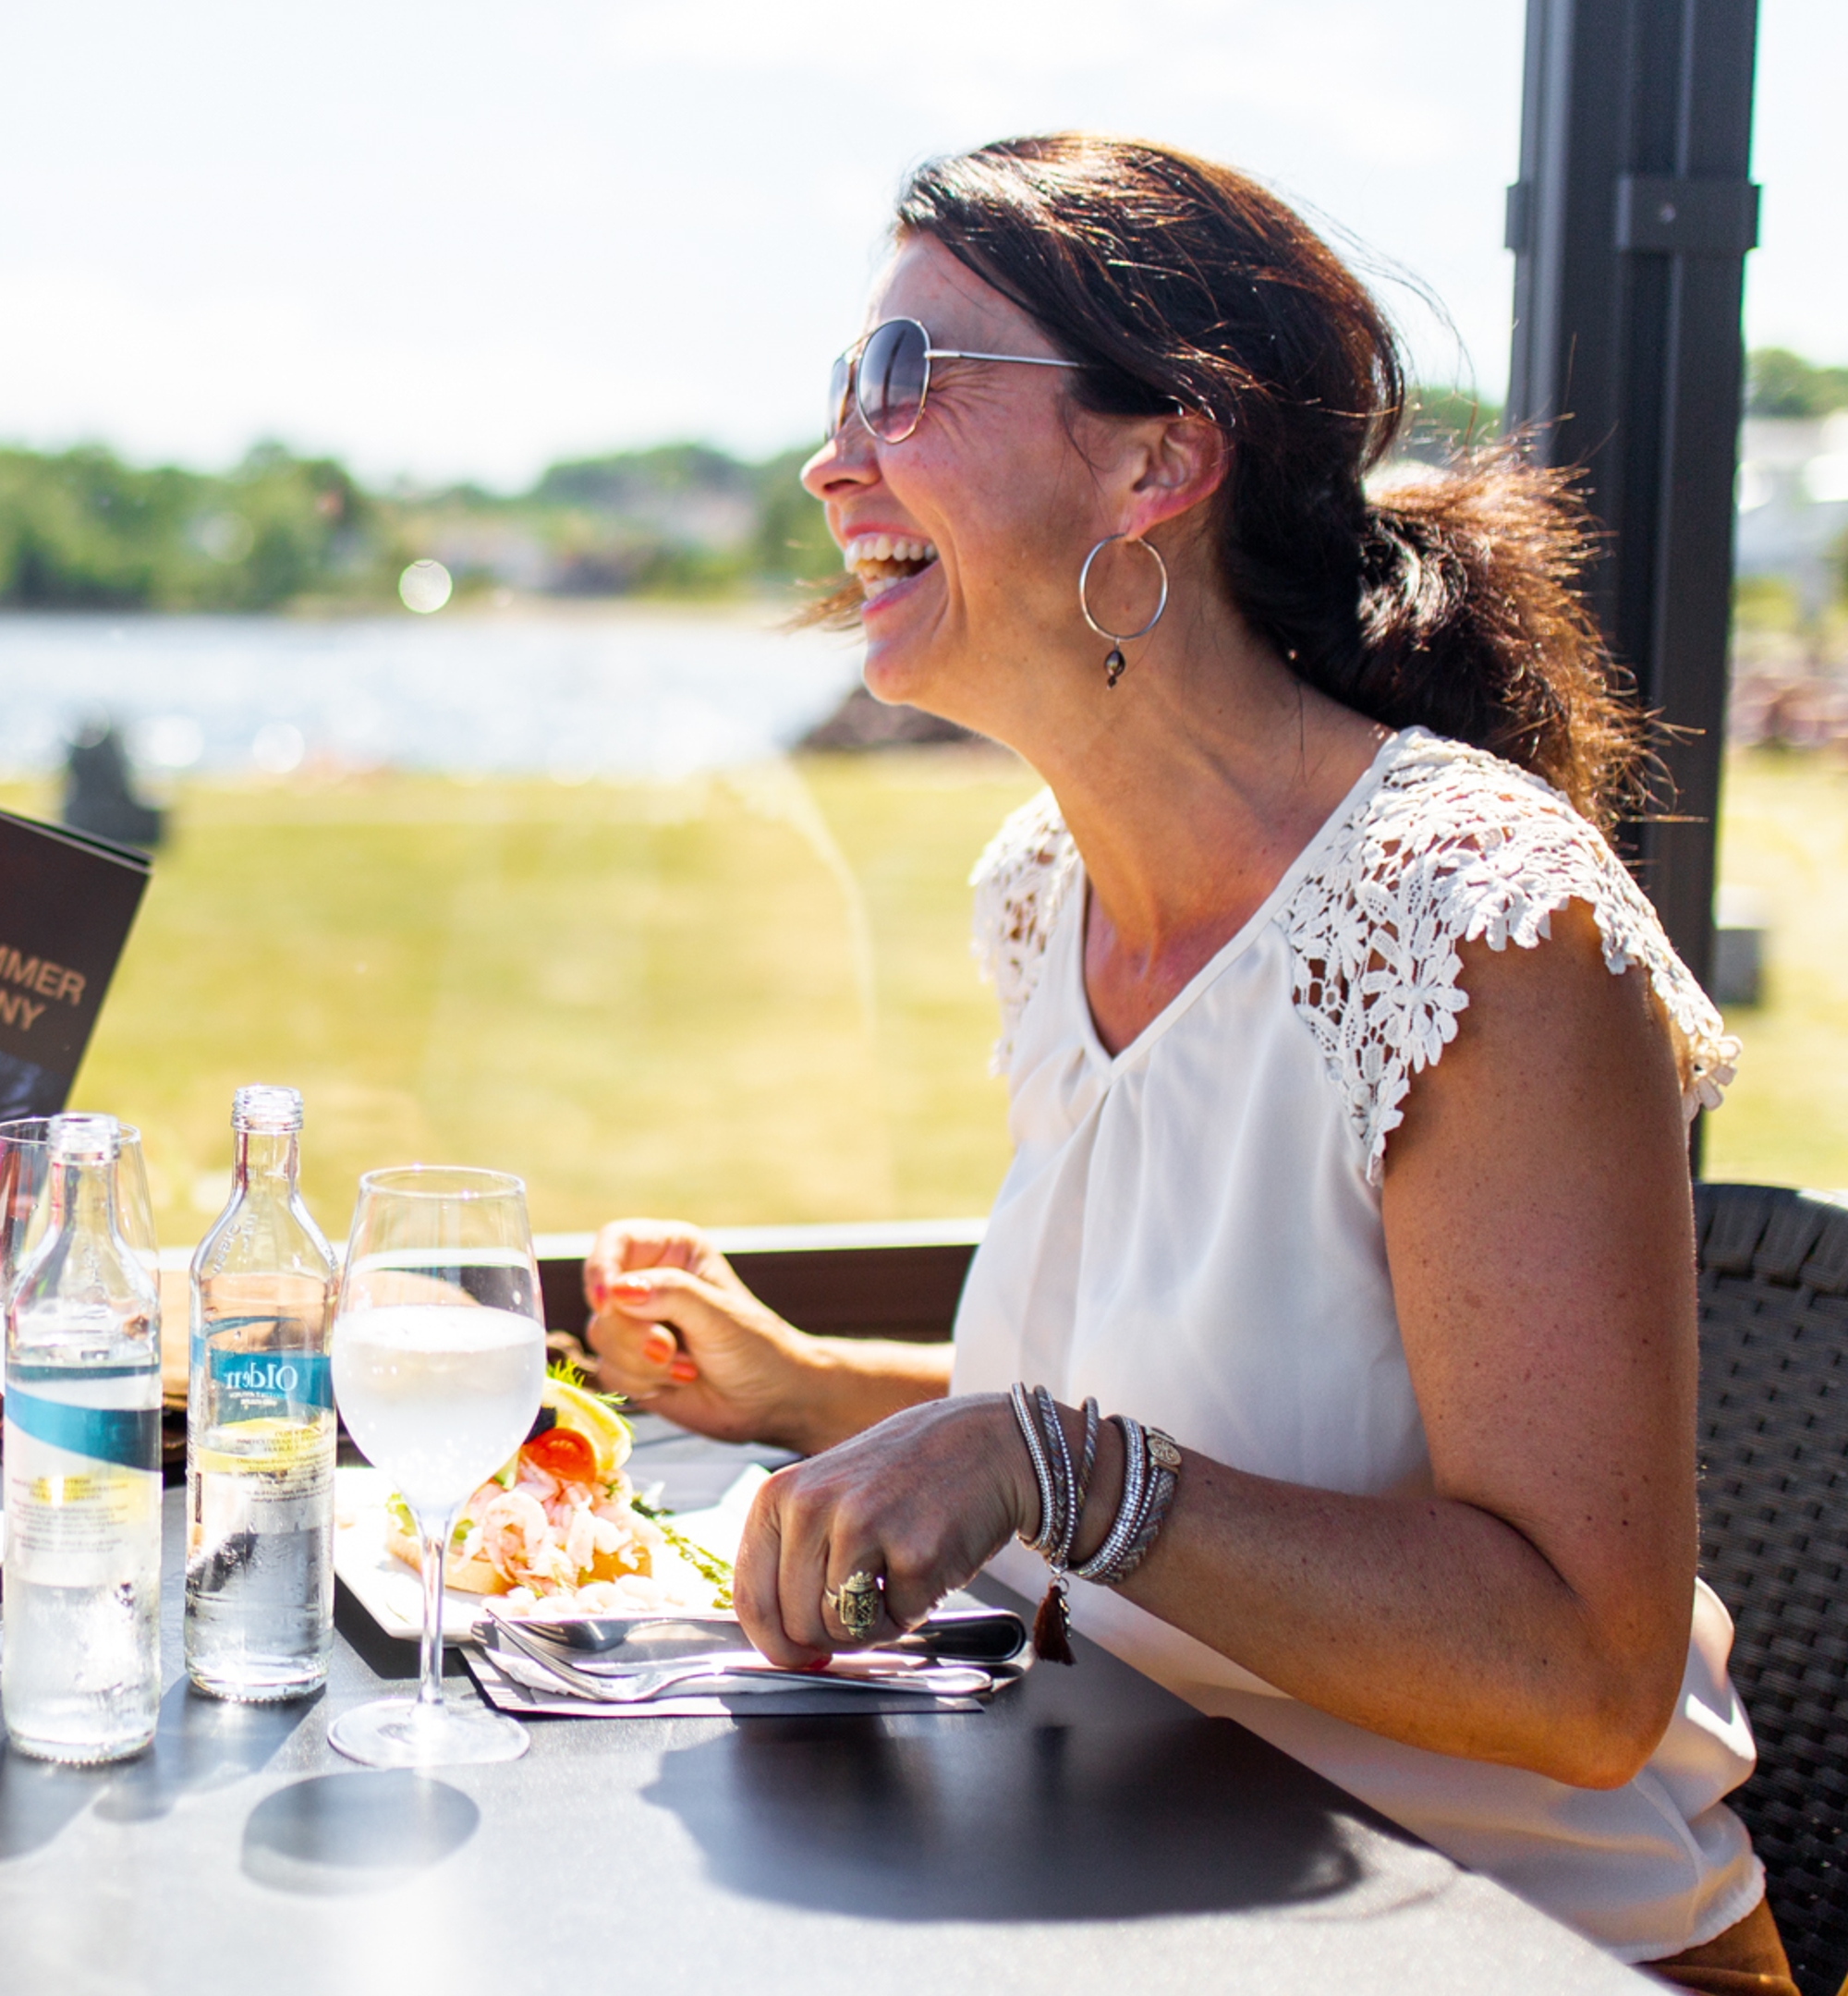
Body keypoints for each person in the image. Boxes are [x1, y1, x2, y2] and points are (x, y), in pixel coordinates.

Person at [580, 137, 1786, 1992]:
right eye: (839, 395)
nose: (835, 462)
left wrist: (1041, 1467)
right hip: (1152, 1885)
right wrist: (826, 1393)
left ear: (1160, 460)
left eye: (902, 383)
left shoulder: (1474, 915)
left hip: (1513, 1946)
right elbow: (1201, 1399)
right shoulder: (1043, 893)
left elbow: (1584, 1678)